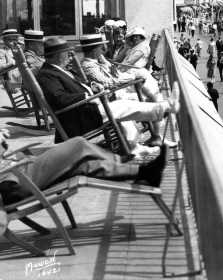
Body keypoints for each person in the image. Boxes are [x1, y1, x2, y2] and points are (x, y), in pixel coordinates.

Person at [37, 37, 180, 156]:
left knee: (123, 105)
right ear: (57, 55)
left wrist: (92, 88)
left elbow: (73, 89)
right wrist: (87, 95)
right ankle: (165, 108)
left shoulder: (57, 70)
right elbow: (59, 99)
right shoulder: (47, 75)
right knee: (124, 105)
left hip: (87, 109)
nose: (69, 56)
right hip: (80, 118)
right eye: (66, 53)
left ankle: (134, 144)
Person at [0, 131, 168, 225]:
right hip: (14, 182)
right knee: (78, 144)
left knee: (86, 166)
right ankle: (116, 158)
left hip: (19, 173)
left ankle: (145, 173)